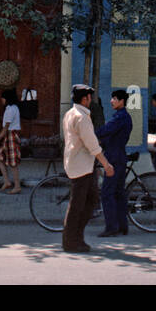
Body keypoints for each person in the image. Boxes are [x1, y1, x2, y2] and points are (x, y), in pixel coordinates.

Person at [61, 84, 115, 253]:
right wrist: (106, 164)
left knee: (89, 201)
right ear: (85, 99)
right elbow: (92, 144)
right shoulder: (82, 117)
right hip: (81, 166)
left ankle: (77, 238)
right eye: (90, 97)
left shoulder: (70, 114)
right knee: (79, 204)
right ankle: (71, 241)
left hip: (79, 164)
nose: (91, 100)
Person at [96, 89, 133, 237]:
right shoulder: (123, 116)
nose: (111, 101)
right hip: (118, 155)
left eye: (114, 99)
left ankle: (111, 227)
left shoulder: (120, 117)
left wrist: (90, 134)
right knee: (118, 193)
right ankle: (122, 226)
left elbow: (106, 130)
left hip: (114, 157)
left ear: (122, 101)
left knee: (107, 193)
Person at [0, 88, 22, 194]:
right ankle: (7, 181)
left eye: (3, 98)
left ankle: (17, 186)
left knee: (13, 162)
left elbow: (6, 127)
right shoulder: (14, 108)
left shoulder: (10, 109)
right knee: (0, 158)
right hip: (9, 135)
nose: (2, 100)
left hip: (10, 136)